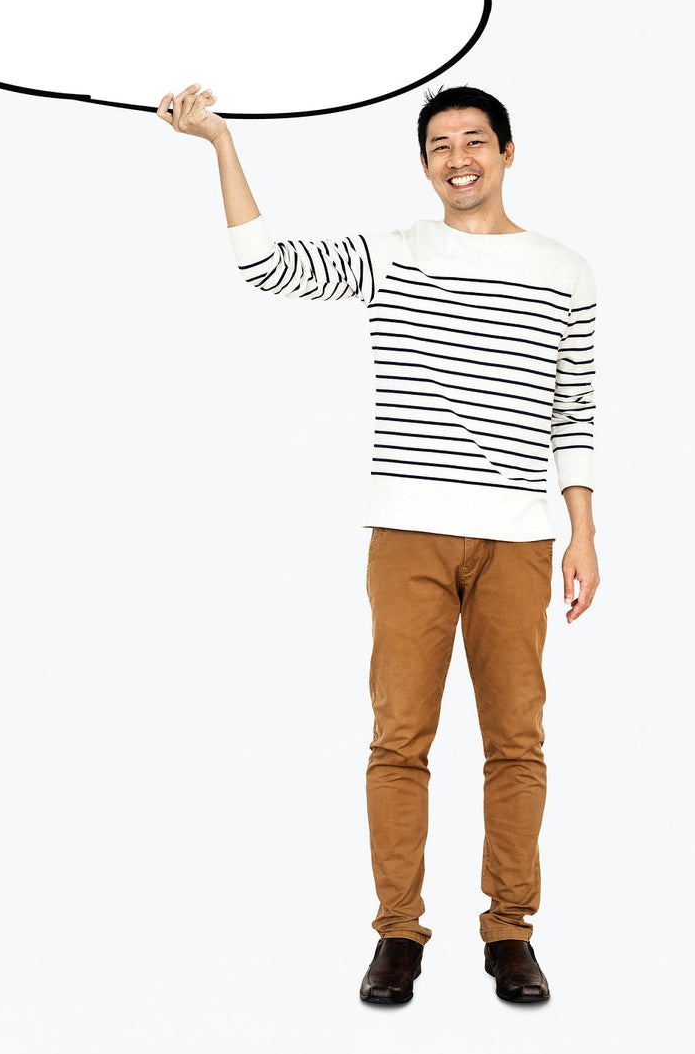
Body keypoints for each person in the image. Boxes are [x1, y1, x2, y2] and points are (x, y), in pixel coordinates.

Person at [157, 82, 599, 1005]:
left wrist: (582, 530)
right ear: (426, 163)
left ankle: (510, 930)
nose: (459, 157)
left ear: (508, 153)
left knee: (517, 741)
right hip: (408, 534)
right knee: (400, 739)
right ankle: (399, 931)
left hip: (518, 538)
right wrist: (220, 144)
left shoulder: (564, 270)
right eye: (441, 144)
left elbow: (574, 411)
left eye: (476, 140)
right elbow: (268, 267)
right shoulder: (394, 257)